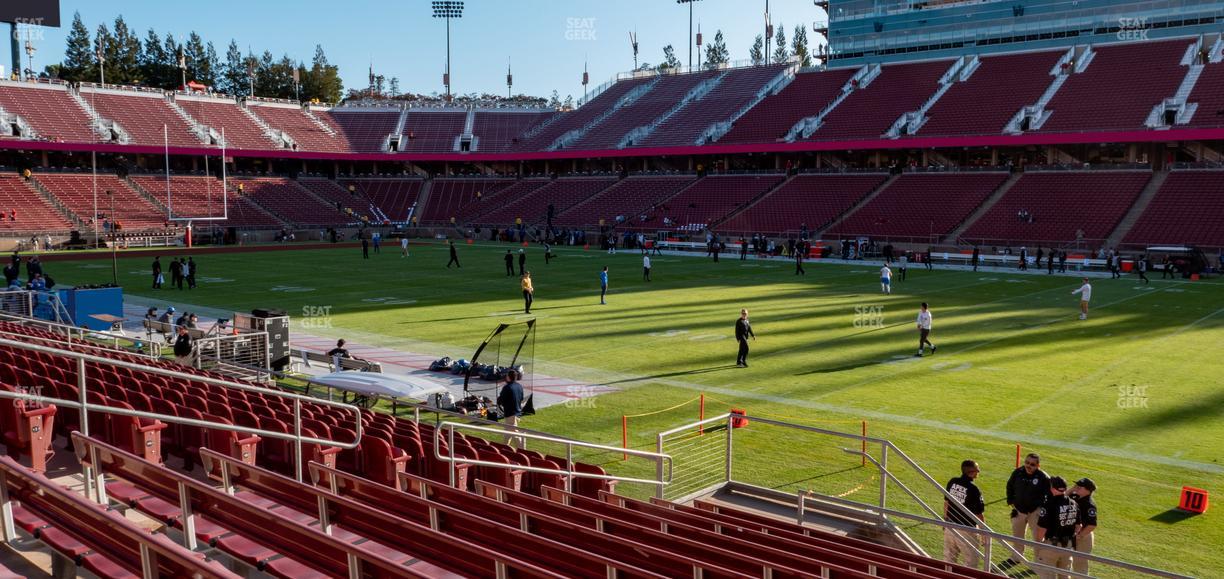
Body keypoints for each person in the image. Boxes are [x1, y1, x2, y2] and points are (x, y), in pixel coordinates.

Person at [1000, 453, 1051, 569]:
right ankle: (1016, 557)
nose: (1029, 466)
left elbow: (1049, 495)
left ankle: (1039, 560)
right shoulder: (1018, 472)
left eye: (1032, 464)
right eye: (1027, 463)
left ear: (1038, 465)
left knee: (1038, 537)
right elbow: (1009, 486)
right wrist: (1010, 500)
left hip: (1035, 512)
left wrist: (1042, 508)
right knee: (1017, 535)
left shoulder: (1043, 477)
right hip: (1019, 510)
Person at [1035, 476, 1079, 579]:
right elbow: (1078, 526)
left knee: (1047, 575)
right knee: (1065, 575)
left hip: (1051, 546)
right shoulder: (1074, 503)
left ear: (1052, 488)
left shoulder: (1048, 505)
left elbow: (1042, 528)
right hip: (1068, 546)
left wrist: (1038, 543)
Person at [944, 460, 985, 568]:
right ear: (971, 472)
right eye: (977, 469)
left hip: (950, 526)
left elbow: (946, 503)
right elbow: (979, 514)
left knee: (949, 560)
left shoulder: (952, 482)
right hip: (966, 530)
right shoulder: (974, 489)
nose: (979, 471)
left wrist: (945, 520)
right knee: (971, 562)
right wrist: (984, 533)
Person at [1070, 478, 1098, 576]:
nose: (1076, 488)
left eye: (1079, 486)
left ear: (1088, 490)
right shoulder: (1074, 497)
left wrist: (1080, 536)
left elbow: (1092, 525)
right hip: (1070, 534)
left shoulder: (1089, 505)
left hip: (1083, 536)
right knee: (1065, 560)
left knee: (1079, 564)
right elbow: (1061, 497)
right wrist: (1073, 488)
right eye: (1076, 485)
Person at [497, 370, 525, 448]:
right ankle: (504, 448)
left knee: (514, 433)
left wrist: (498, 401)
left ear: (508, 377)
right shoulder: (519, 386)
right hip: (517, 412)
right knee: (508, 432)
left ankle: (523, 450)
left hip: (511, 414)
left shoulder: (507, 387)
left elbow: (501, 400)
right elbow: (521, 398)